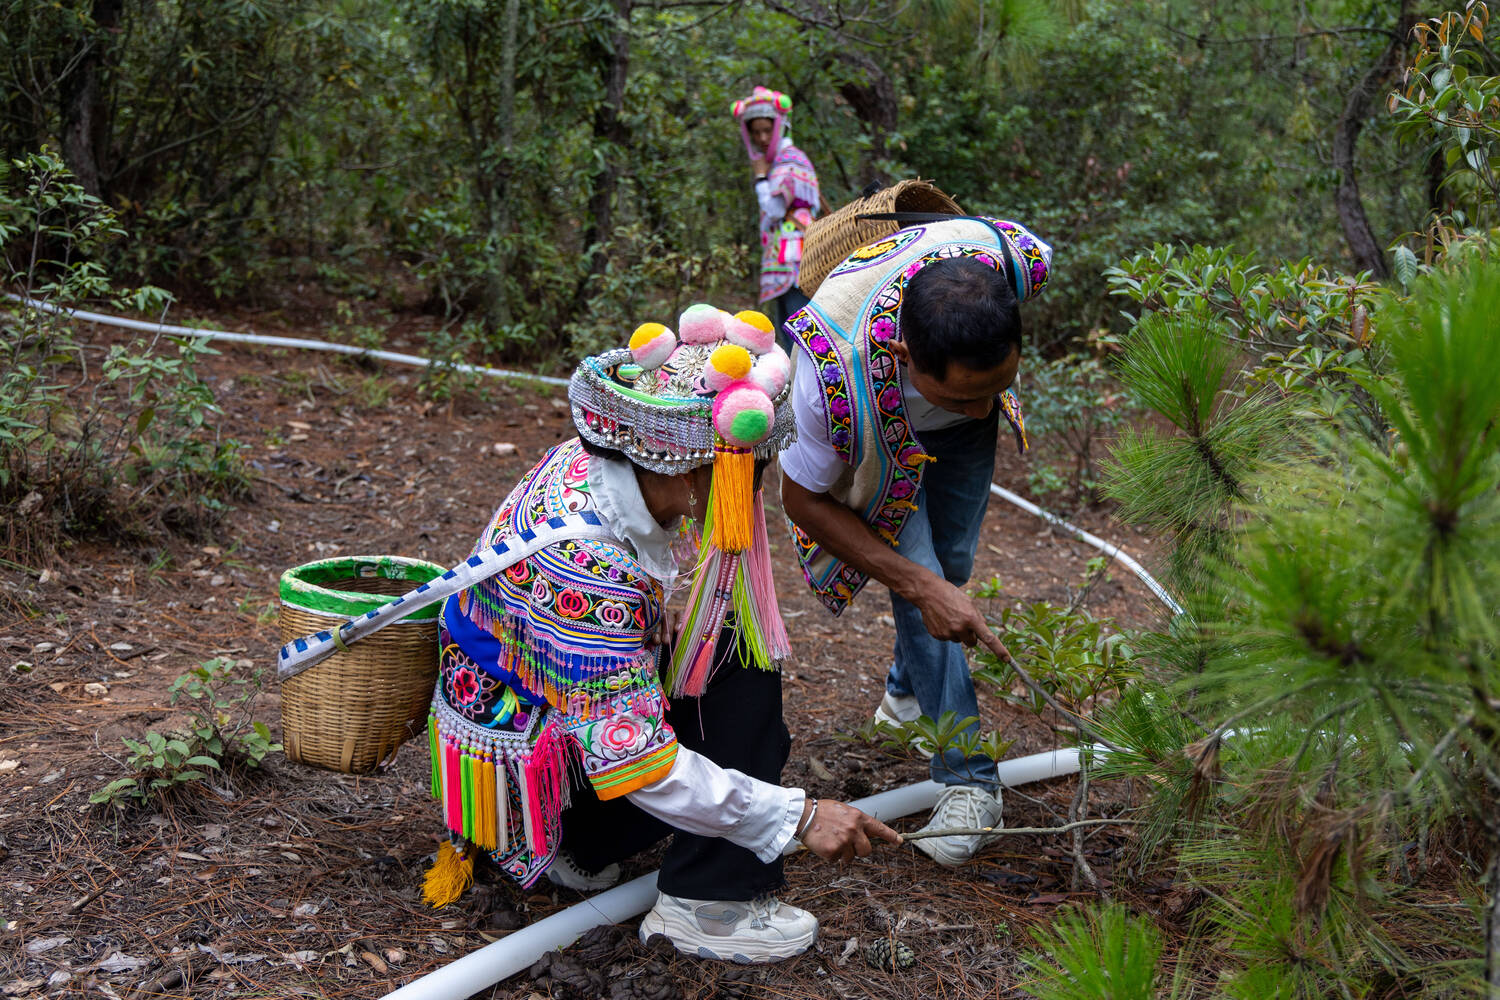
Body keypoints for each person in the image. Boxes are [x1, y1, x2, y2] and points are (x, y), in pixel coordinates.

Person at [421, 303, 899, 964]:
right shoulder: (590, 570)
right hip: (549, 807)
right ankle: (706, 906)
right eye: (747, 470)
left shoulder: (587, 467)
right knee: (738, 665)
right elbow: (633, 762)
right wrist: (800, 816)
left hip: (533, 741)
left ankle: (644, 863)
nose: (752, 490)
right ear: (697, 466)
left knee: (724, 643)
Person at [778, 216, 1052, 867]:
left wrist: (970, 401)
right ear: (903, 357)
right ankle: (969, 782)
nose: (986, 410)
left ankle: (907, 693)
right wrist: (917, 583)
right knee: (922, 578)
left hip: (944, 434)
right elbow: (799, 499)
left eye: (998, 389)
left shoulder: (1020, 258)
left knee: (951, 565)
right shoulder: (825, 371)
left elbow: (977, 399)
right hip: (876, 430)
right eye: (966, 394)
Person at [732, 86, 820, 341]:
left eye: (767, 130)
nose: (761, 138)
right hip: (788, 256)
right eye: (755, 132)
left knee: (797, 332)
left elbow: (774, 209)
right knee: (788, 330)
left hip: (794, 258)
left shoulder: (788, 159)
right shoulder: (782, 159)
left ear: (779, 126)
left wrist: (760, 177)